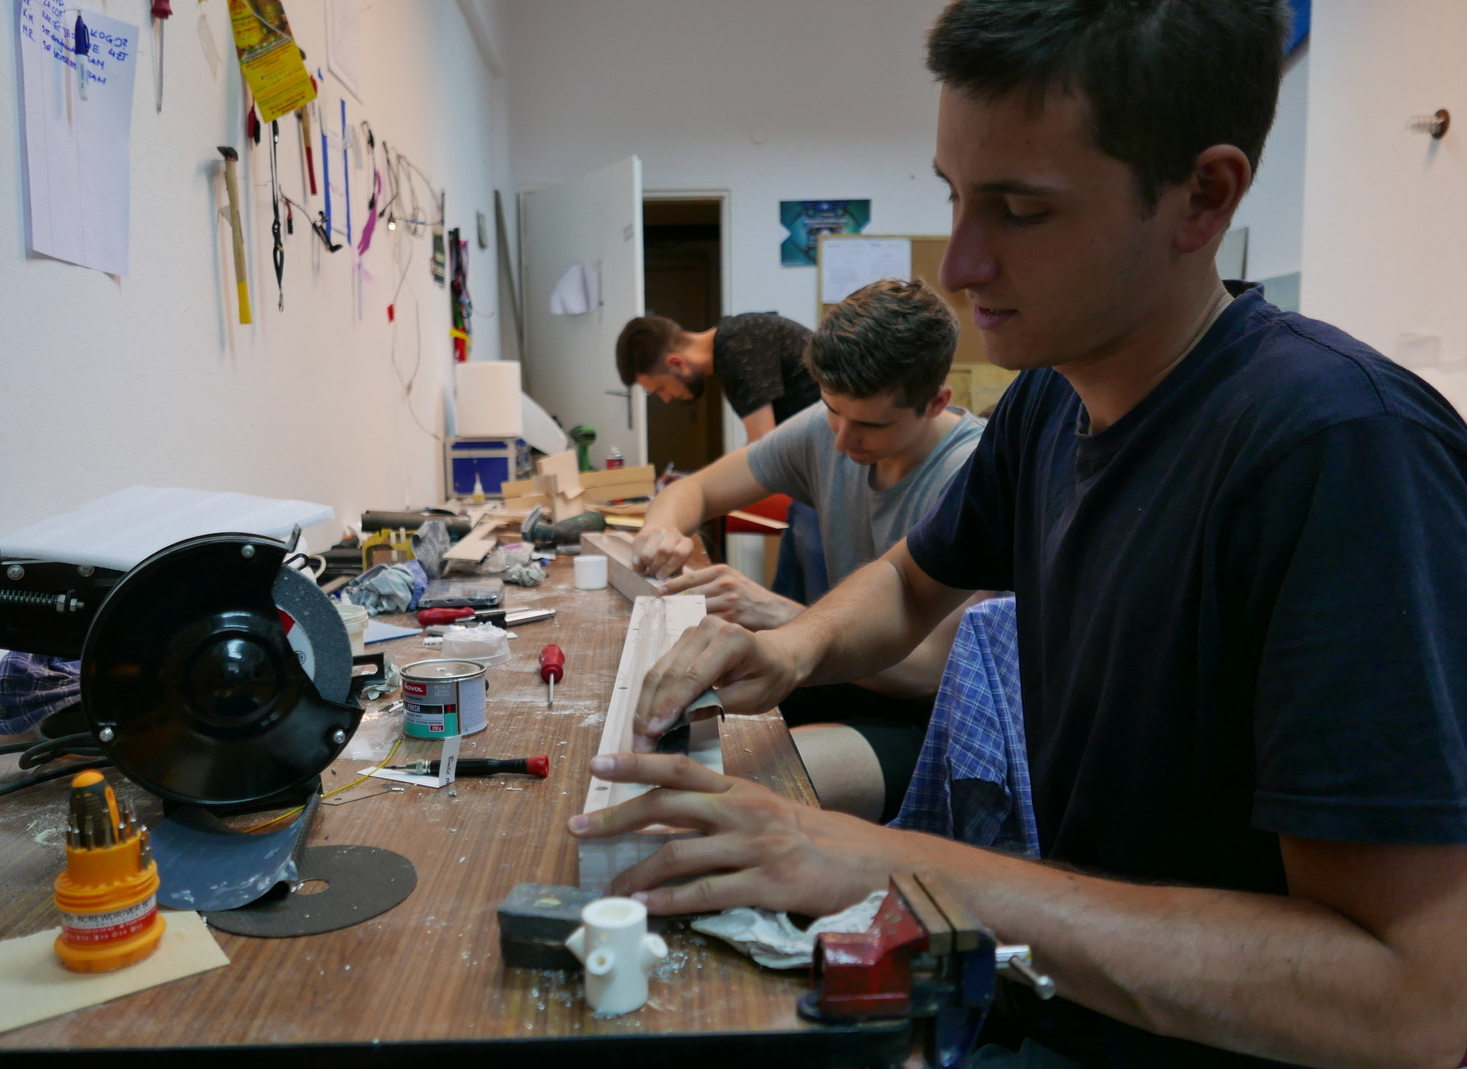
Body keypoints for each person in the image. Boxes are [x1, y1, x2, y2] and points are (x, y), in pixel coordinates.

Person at [567, 2, 1467, 1067]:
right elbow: (913, 578)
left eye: (1020, 210)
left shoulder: (1341, 452)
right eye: (955, 196)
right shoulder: (1050, 400)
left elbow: (1409, 1002)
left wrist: (894, 863)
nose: (958, 264)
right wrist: (792, 647)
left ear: (1203, 196)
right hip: (1072, 998)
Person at [630, 279, 986, 822]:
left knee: (718, 790)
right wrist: (661, 532)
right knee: (665, 729)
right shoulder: (831, 426)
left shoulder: (974, 474)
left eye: (869, 424)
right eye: (832, 410)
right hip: (851, 678)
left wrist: (780, 616)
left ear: (936, 402)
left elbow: (930, 671)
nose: (841, 441)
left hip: (939, 720)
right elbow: (693, 490)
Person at [615, 312, 819, 442]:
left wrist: (698, 486)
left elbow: (764, 450)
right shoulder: (729, 347)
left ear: (676, 363)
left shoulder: (738, 347)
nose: (666, 398)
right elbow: (757, 448)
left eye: (660, 388)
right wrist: (697, 481)